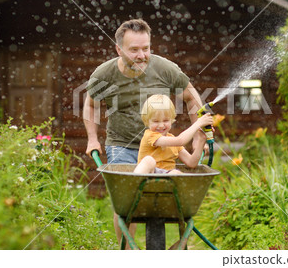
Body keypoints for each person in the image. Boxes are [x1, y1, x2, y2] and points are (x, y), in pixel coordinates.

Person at [82, 18, 207, 248]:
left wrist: (202, 133)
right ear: (118, 49)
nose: (142, 55)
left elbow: (191, 97)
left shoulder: (163, 68)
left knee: (175, 199)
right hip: (122, 145)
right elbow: (91, 104)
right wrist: (92, 138)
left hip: (161, 147)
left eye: (146, 48)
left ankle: (179, 248)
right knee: (127, 204)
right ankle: (128, 254)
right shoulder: (105, 74)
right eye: (134, 50)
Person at [134, 94, 213, 175]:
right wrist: (198, 123)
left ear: (171, 119)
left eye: (165, 120)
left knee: (176, 173)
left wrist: (201, 140)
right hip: (149, 174)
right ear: (147, 121)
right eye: (156, 121)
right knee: (148, 160)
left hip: (167, 178)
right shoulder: (150, 135)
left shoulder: (172, 141)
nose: (161, 125)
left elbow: (191, 162)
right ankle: (135, 180)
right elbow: (180, 140)